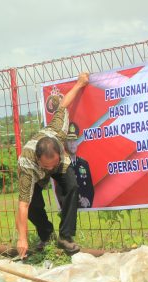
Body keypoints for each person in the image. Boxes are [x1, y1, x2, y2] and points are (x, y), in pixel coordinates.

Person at [15, 72, 89, 259]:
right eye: (46, 166)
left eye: (52, 164)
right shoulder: (27, 163)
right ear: (39, 159)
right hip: (34, 173)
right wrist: (22, 238)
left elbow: (63, 105)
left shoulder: (58, 131)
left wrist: (80, 84)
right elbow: (22, 206)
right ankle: (46, 235)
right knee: (32, 205)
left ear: (60, 150)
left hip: (59, 164)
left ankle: (65, 237)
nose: (50, 169)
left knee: (72, 186)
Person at [64, 122, 94, 208]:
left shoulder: (84, 164)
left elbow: (90, 187)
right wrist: (78, 201)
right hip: (70, 208)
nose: (72, 143)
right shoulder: (62, 165)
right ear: (65, 142)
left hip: (86, 208)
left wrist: (87, 201)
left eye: (74, 140)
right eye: (69, 140)